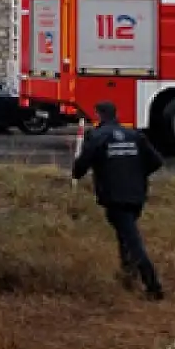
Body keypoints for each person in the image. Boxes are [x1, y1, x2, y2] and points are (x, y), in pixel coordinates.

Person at [72, 101, 165, 300]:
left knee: (132, 240)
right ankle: (128, 275)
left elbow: (80, 167)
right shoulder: (134, 135)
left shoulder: (97, 137)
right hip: (137, 195)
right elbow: (156, 161)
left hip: (114, 196)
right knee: (125, 234)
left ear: (98, 115)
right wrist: (137, 175)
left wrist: (77, 171)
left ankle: (152, 285)